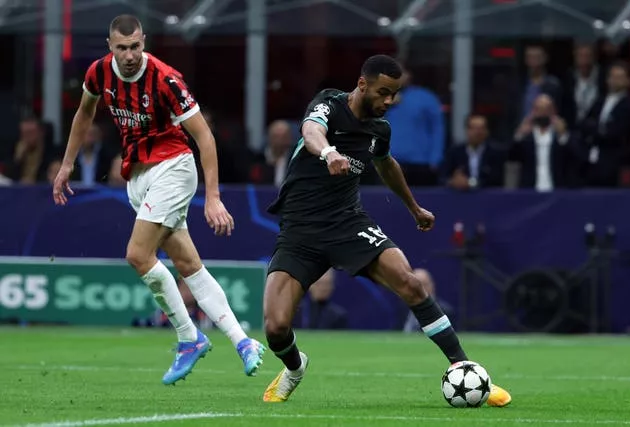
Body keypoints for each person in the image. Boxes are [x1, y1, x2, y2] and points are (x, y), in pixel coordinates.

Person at [261, 54, 512, 407]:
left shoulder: (379, 129)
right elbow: (311, 131)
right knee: (275, 328)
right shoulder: (329, 104)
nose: (388, 101)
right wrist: (329, 153)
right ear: (362, 84)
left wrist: (414, 207)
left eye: (394, 94)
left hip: (348, 223)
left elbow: (386, 164)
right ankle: (295, 368)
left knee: (410, 282)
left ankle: (466, 367)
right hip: (300, 231)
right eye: (383, 92)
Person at [52, 14, 265, 385]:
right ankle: (242, 340)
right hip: (137, 177)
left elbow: (204, 137)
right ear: (109, 46)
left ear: (144, 41)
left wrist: (212, 197)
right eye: (122, 47)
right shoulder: (98, 73)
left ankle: (188, 337)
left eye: (136, 46)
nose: (130, 54)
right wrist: (67, 164)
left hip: (174, 167)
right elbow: (84, 115)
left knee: (137, 254)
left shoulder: (166, 79)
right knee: (187, 263)